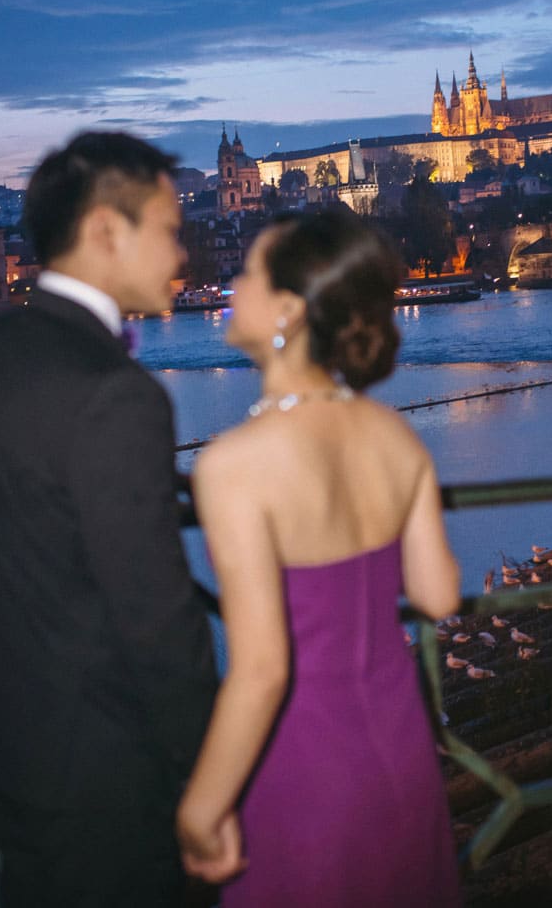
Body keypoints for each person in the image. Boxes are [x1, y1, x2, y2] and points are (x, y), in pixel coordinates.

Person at [0, 131, 217, 905]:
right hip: (108, 761)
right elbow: (158, 621)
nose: (181, 255)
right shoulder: (119, 393)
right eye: (170, 229)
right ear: (107, 232)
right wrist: (210, 781)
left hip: (7, 735)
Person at [177, 210, 463, 906]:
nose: (229, 284)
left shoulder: (233, 464)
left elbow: (264, 669)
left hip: (303, 766)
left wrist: (199, 810)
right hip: (401, 753)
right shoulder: (395, 435)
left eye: (244, 271)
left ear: (284, 309)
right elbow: (437, 596)